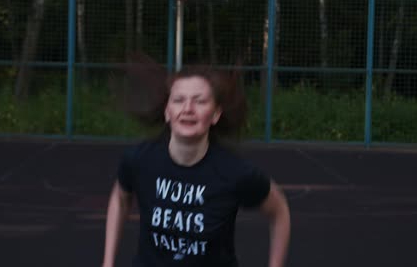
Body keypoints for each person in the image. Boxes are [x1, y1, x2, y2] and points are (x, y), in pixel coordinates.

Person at [102, 56, 290, 267]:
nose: (188, 108)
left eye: (199, 101)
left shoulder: (235, 173)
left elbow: (279, 210)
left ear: (215, 114)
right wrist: (108, 263)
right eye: (179, 100)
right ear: (167, 111)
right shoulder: (139, 160)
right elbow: (120, 197)